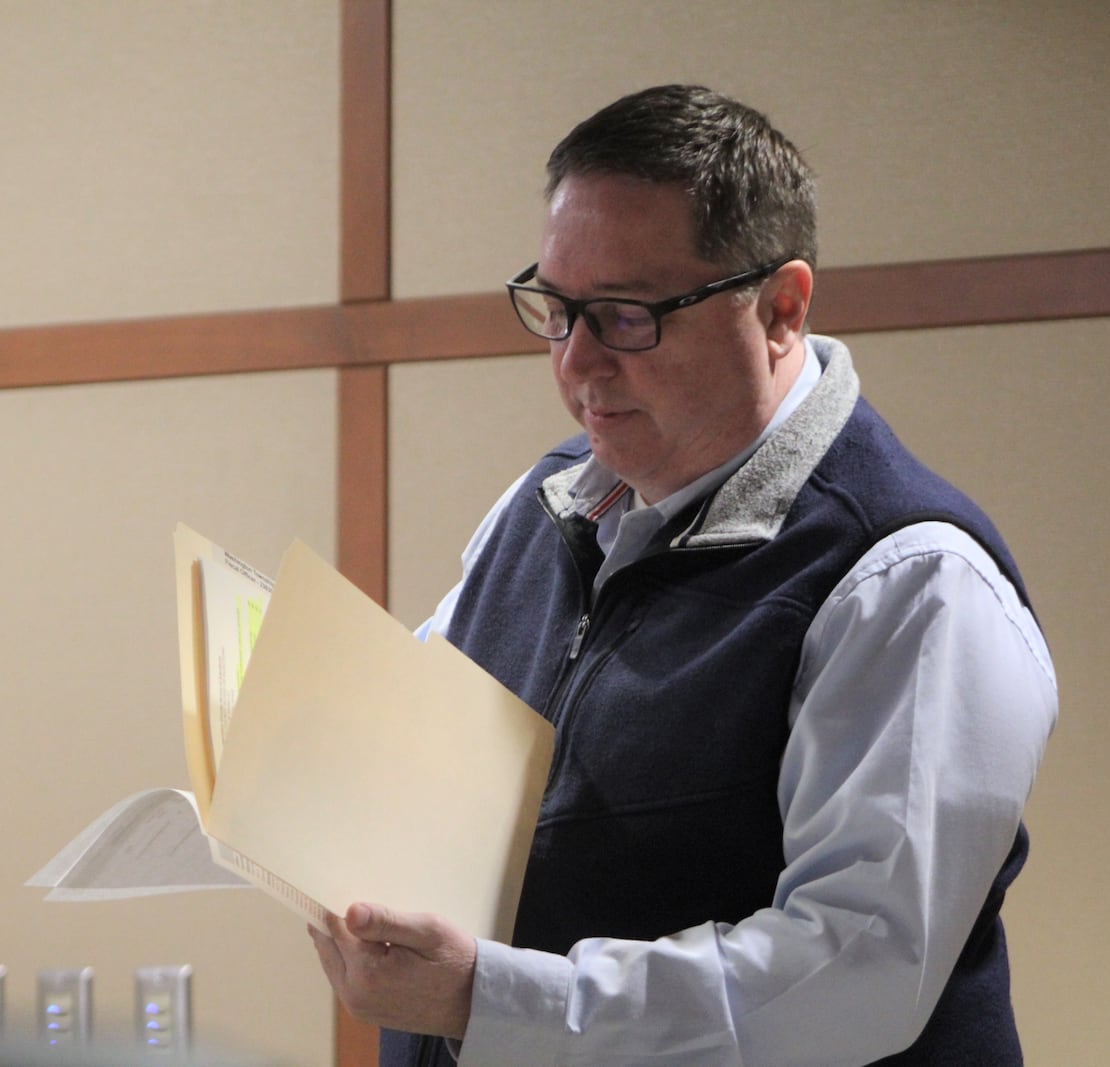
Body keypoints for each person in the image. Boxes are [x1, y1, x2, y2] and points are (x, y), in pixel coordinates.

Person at [310, 84, 1057, 1066]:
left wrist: (493, 999)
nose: (578, 362)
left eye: (625, 316)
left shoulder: (909, 580)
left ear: (781, 308)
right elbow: (416, 747)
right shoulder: (541, 508)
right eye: (556, 307)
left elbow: (850, 976)